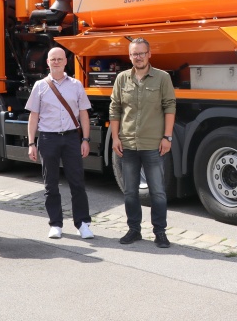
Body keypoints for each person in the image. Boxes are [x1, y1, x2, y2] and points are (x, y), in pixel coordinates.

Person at [110, 38, 176, 248]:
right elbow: (115, 108)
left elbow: (170, 107)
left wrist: (167, 137)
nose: (137, 57)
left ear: (149, 54)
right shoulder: (122, 79)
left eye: (141, 53)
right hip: (128, 144)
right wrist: (115, 137)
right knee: (130, 191)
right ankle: (134, 229)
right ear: (129, 56)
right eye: (134, 54)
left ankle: (160, 232)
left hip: (153, 144)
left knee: (157, 191)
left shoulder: (162, 78)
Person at [26, 47, 94, 240]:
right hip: (48, 138)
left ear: (66, 62)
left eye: (59, 59)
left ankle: (83, 223)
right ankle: (55, 224)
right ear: (47, 62)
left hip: (72, 138)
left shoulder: (76, 85)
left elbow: (83, 114)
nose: (56, 62)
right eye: (52, 59)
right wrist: (31, 142)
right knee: (50, 184)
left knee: (77, 183)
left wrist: (86, 140)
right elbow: (34, 116)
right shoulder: (40, 86)